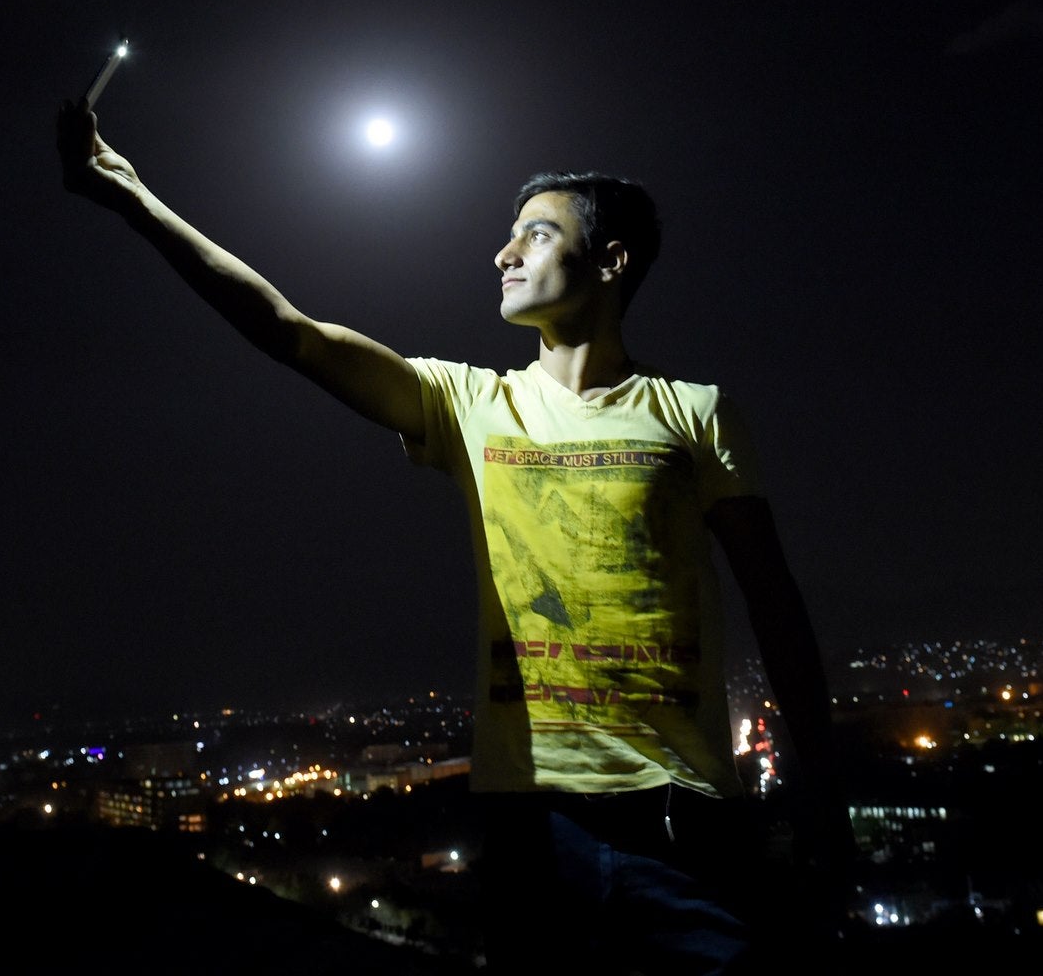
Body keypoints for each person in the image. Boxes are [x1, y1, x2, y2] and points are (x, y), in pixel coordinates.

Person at [55, 99, 855, 973]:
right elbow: (290, 333)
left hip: (684, 818)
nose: (504, 253)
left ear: (612, 260)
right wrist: (136, 200)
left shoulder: (696, 413)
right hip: (529, 824)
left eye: (537, 235)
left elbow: (773, 599)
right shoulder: (470, 403)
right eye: (508, 235)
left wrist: (823, 789)